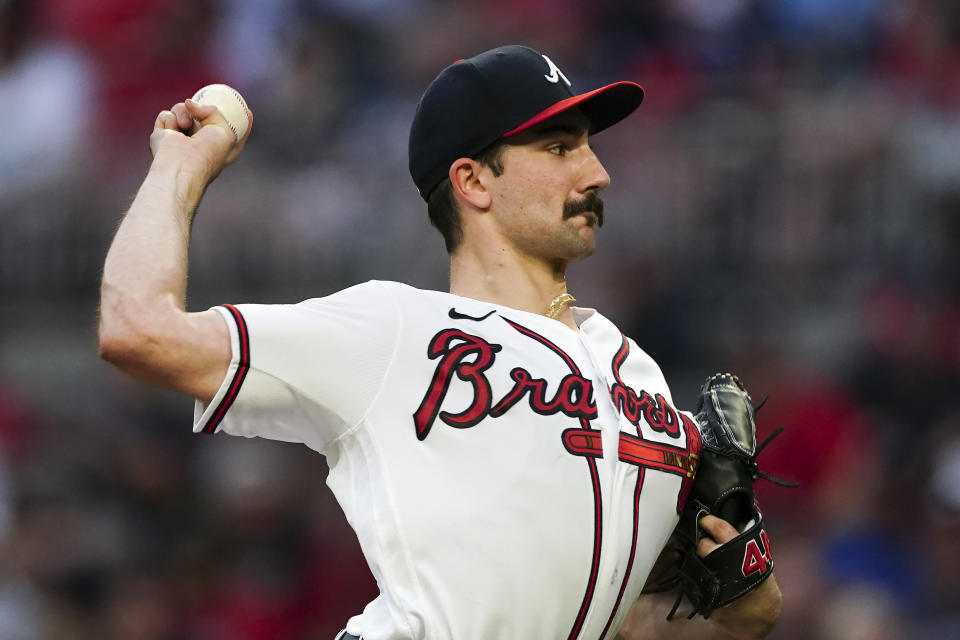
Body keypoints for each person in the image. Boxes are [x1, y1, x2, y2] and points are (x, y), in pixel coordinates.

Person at [99, 45, 782, 639]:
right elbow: (138, 330)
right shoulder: (394, 333)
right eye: (560, 147)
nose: (596, 172)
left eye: (589, 145)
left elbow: (688, 622)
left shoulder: (640, 377)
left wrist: (742, 565)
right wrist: (180, 168)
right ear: (473, 181)